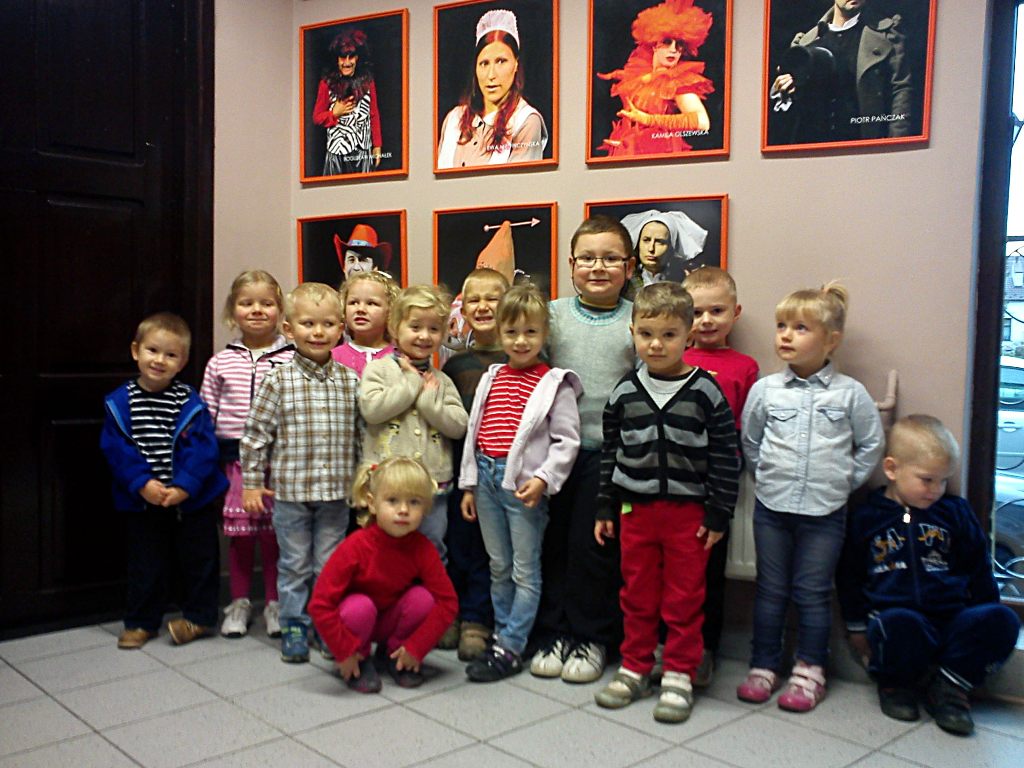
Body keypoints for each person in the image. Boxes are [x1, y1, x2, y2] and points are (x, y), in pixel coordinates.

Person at [593, 282, 739, 723]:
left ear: (688, 335)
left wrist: (719, 511)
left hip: (688, 516)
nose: (656, 344)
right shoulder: (624, 392)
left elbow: (725, 454)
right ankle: (635, 666)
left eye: (669, 335)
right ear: (633, 333)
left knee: (684, 597)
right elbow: (611, 451)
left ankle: (678, 673)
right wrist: (605, 505)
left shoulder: (705, 391)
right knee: (636, 594)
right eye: (647, 334)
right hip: (635, 512)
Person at [737, 281, 884, 712]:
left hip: (825, 512)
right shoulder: (766, 390)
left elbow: (871, 444)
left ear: (831, 340)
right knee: (770, 590)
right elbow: (751, 441)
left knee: (813, 592)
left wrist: (844, 483)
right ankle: (764, 665)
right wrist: (766, 476)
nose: (786, 335)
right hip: (773, 508)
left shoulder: (850, 393)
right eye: (782, 326)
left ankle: (810, 671)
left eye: (800, 328)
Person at [837, 415, 1021, 736]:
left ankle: (949, 687)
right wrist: (855, 627)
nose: (936, 490)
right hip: (897, 617)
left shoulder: (954, 513)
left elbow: (977, 566)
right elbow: (849, 575)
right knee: (896, 624)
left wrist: (984, 613)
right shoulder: (868, 517)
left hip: (952, 617)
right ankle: (896, 686)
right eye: (927, 480)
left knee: (1003, 619)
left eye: (944, 481)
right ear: (892, 469)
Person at [531, 216, 637, 684]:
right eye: (588, 258)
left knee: (592, 548)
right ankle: (554, 632)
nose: (598, 267)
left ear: (629, 267)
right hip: (552, 453)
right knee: (551, 543)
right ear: (571, 265)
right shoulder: (551, 316)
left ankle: (590, 636)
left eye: (611, 258)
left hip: (607, 454)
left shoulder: (637, 319)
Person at [460, 285, 582, 682]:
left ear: (545, 334)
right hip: (486, 480)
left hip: (523, 487)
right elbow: (475, 430)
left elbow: (566, 441)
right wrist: (469, 484)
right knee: (499, 566)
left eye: (531, 332)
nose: (521, 341)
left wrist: (544, 478)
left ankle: (512, 645)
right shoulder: (492, 375)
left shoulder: (555, 383)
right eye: (511, 332)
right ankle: (503, 635)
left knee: (524, 570)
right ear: (499, 333)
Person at [240, 283, 360, 663]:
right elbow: (255, 436)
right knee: (294, 564)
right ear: (289, 329)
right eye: (308, 323)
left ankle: (325, 623)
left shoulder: (351, 381)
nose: (318, 332)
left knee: (329, 564)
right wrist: (251, 483)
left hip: (336, 494)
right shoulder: (277, 380)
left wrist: (365, 484)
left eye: (328, 324)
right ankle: (293, 623)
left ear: (341, 328)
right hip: (291, 494)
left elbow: (361, 437)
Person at [101, 312, 226, 649]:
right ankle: (141, 622)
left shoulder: (189, 400)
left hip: (191, 500)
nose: (159, 360)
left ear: (182, 362)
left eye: (171, 355)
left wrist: (185, 486)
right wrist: (142, 483)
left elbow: (203, 449)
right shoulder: (120, 402)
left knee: (200, 560)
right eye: (152, 351)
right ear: (136, 351)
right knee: (146, 563)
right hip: (144, 501)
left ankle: (200, 617)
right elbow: (117, 450)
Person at [308, 457, 459, 692]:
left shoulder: (423, 548)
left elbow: (447, 603)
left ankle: (394, 655)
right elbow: (320, 604)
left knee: (422, 599)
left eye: (414, 502)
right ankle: (360, 660)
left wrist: (416, 648)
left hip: (389, 620)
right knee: (361, 607)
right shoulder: (355, 547)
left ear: (425, 508)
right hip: (355, 621)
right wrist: (345, 651)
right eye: (392, 500)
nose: (403, 510)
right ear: (372, 503)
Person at [201, 271, 294, 639]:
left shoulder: (293, 358)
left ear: (280, 310)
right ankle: (239, 601)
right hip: (235, 462)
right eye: (247, 303)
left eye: (266, 303)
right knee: (240, 537)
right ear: (232, 311)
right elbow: (207, 413)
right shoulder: (220, 363)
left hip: (278, 462)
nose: (257, 310)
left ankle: (274, 603)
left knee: (275, 536)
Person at [682, 266, 758, 686]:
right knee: (670, 571)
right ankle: (665, 645)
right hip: (672, 481)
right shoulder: (672, 358)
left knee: (709, 573)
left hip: (716, 485)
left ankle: (704, 650)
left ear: (735, 312)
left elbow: (746, 426)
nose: (706, 320)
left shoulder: (745, 367)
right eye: (696, 312)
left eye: (717, 310)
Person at [360, 285, 468, 563]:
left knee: (432, 549)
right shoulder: (378, 370)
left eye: (434, 329)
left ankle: (430, 591)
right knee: (385, 551)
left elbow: (459, 426)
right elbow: (372, 410)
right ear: (395, 328)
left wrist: (429, 401)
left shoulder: (441, 381)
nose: (424, 336)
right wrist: (411, 384)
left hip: (433, 486)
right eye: (415, 326)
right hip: (389, 485)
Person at [441, 268, 511, 659]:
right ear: (463, 309)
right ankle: (450, 612)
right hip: (459, 472)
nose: (483, 307)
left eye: (493, 298)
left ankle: (477, 620)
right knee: (457, 543)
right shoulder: (454, 366)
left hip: (503, 475)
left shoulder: (522, 358)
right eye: (474, 300)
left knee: (491, 550)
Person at [768, 0, 913, 144]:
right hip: (813, 147)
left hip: (863, 145)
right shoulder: (806, 42)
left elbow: (901, 89)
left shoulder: (887, 35)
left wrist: (896, 144)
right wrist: (786, 89)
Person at [597, 0, 715, 157]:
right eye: (667, 42)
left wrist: (649, 119)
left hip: (660, 154)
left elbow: (702, 122)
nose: (673, 50)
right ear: (654, 44)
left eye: (679, 44)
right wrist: (623, 143)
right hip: (631, 155)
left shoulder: (677, 80)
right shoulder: (639, 74)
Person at [437, 9, 548, 168]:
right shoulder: (454, 119)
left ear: (516, 64)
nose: (491, 75)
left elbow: (519, 183)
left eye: (501, 61)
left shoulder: (526, 121)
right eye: (484, 63)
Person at [312, 27, 382, 175]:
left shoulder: (367, 82)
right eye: (343, 58)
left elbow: (374, 114)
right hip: (337, 153)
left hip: (362, 151)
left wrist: (377, 145)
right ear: (337, 59)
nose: (347, 62)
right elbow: (317, 117)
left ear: (357, 58)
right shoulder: (327, 84)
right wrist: (334, 113)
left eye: (351, 57)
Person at [621, 209, 709, 298]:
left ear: (671, 247)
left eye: (660, 242)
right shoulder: (625, 281)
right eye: (646, 240)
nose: (651, 249)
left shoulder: (681, 282)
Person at [331, 270, 399, 377]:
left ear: (390, 310)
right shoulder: (333, 357)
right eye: (353, 302)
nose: (360, 309)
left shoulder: (400, 358)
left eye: (371, 303)